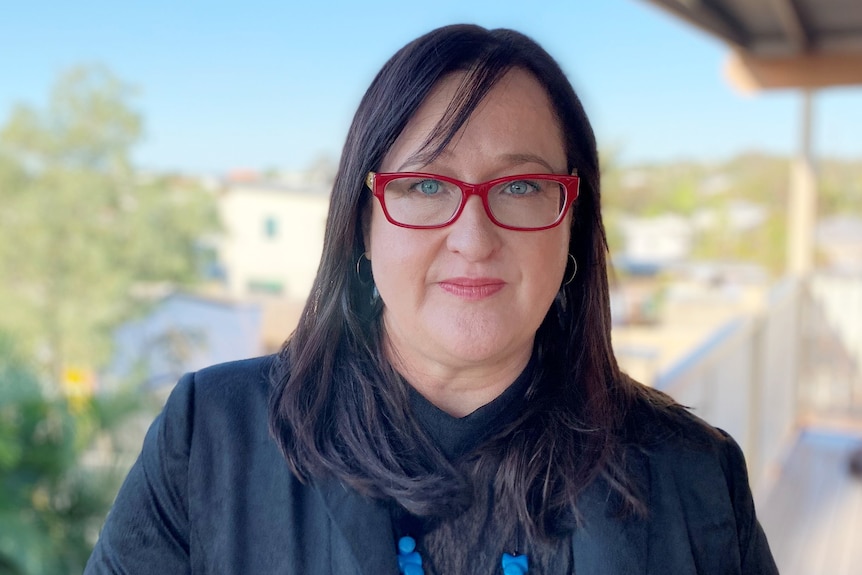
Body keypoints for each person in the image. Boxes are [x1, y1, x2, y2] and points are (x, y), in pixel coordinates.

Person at [85, 24, 778, 575]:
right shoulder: (210, 439)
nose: (473, 238)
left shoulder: (694, 475)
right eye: (425, 186)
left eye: (519, 187)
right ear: (363, 221)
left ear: (572, 221)